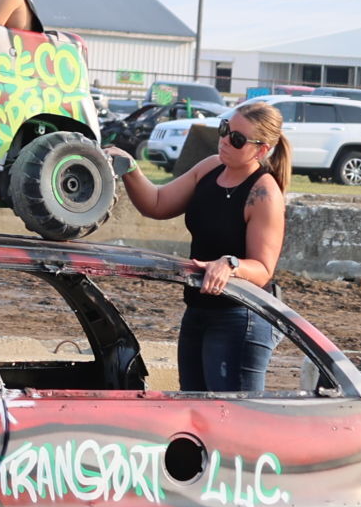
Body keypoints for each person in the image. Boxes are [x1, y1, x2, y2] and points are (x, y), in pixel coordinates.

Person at [105, 101, 290, 393]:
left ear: (262, 149)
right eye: (225, 129)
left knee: (235, 417)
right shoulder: (211, 167)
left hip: (240, 317)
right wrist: (130, 167)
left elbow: (263, 269)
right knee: (195, 408)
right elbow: (156, 204)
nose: (226, 140)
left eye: (238, 139)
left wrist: (230, 264)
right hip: (199, 308)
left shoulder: (264, 193)